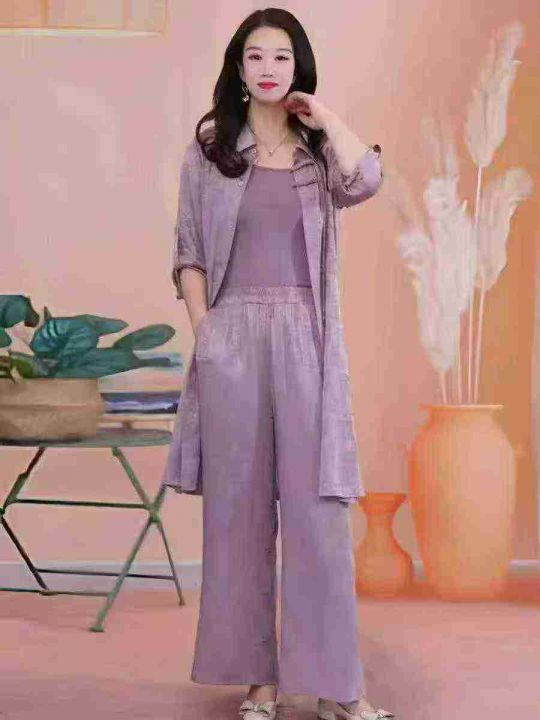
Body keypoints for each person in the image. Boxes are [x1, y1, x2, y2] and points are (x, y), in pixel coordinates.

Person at [162, 8, 395, 720]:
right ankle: (258, 682)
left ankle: (337, 688)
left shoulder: (318, 155)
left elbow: (368, 180)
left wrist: (326, 117)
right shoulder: (210, 153)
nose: (269, 68)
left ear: (299, 69)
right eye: (256, 56)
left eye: (282, 57)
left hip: (305, 340)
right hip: (232, 338)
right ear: (239, 68)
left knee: (319, 516)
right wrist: (207, 333)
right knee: (237, 515)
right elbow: (189, 253)